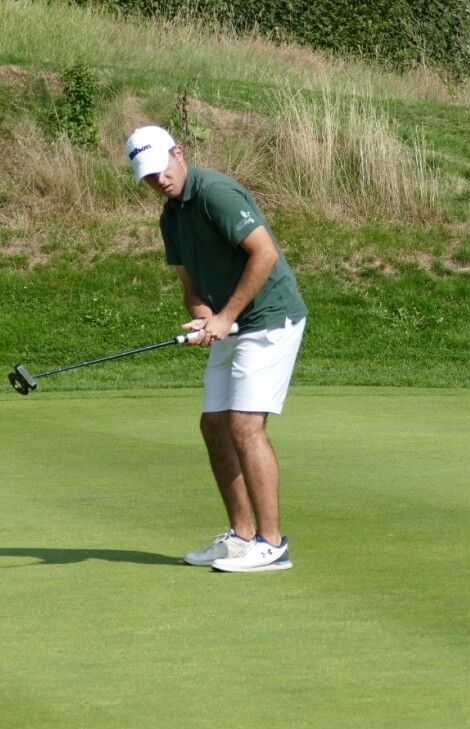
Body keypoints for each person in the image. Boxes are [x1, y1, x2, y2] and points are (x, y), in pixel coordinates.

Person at [125, 125, 308, 573]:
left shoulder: (216, 194)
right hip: (233, 321)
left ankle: (272, 544)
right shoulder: (171, 218)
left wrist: (225, 318)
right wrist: (206, 317)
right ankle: (242, 538)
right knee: (214, 425)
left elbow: (265, 254)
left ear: (179, 153)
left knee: (245, 426)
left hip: (270, 317)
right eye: (148, 176)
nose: (159, 180)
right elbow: (190, 287)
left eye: (162, 168)